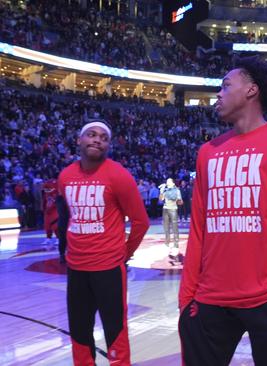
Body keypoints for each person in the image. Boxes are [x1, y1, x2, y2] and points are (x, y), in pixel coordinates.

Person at [178, 56, 267, 366]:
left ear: (251, 90)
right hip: (208, 299)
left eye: (226, 86)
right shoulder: (207, 152)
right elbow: (198, 227)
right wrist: (187, 298)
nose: (219, 94)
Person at [58, 119, 150, 365]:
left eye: (103, 137)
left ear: (108, 145)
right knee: (78, 330)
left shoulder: (118, 175)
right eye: (91, 134)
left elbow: (141, 222)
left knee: (115, 331)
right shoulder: (65, 176)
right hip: (76, 268)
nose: (97, 139)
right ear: (79, 139)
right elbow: (67, 217)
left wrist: (123, 254)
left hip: (108, 268)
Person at [159, 178, 181, 261]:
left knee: (175, 227)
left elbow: (178, 200)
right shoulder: (165, 190)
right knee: (166, 226)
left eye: (168, 182)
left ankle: (176, 243)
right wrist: (161, 191)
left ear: (173, 183)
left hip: (173, 209)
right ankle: (167, 242)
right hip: (165, 209)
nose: (167, 183)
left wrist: (176, 199)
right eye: (166, 182)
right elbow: (161, 199)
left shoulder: (177, 190)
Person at [42, 178, 59, 245]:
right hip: (47, 211)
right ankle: (48, 238)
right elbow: (44, 202)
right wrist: (43, 209)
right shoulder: (46, 194)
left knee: (55, 226)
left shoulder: (57, 194)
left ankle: (58, 238)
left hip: (55, 211)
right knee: (47, 226)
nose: (47, 190)